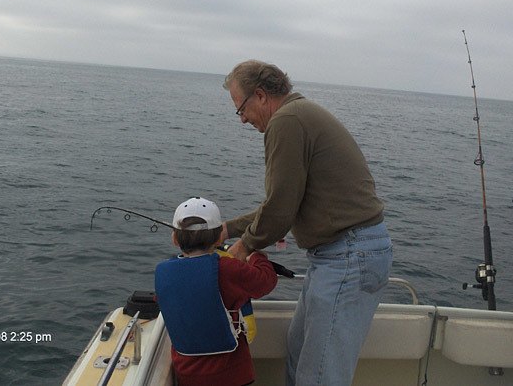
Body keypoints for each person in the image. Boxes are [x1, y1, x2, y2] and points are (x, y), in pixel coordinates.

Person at [221, 60, 393, 386]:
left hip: (348, 255)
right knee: (299, 352)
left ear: (260, 95)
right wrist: (227, 230)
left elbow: (281, 208)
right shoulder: (299, 114)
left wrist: (244, 246)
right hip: (340, 255)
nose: (242, 119)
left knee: (320, 377)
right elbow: (284, 203)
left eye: (241, 108)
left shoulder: (285, 122)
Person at [155, 197, 277, 386]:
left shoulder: (163, 271)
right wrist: (257, 257)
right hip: (233, 376)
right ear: (219, 236)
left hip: (187, 376)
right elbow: (266, 282)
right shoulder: (229, 269)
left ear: (174, 238)